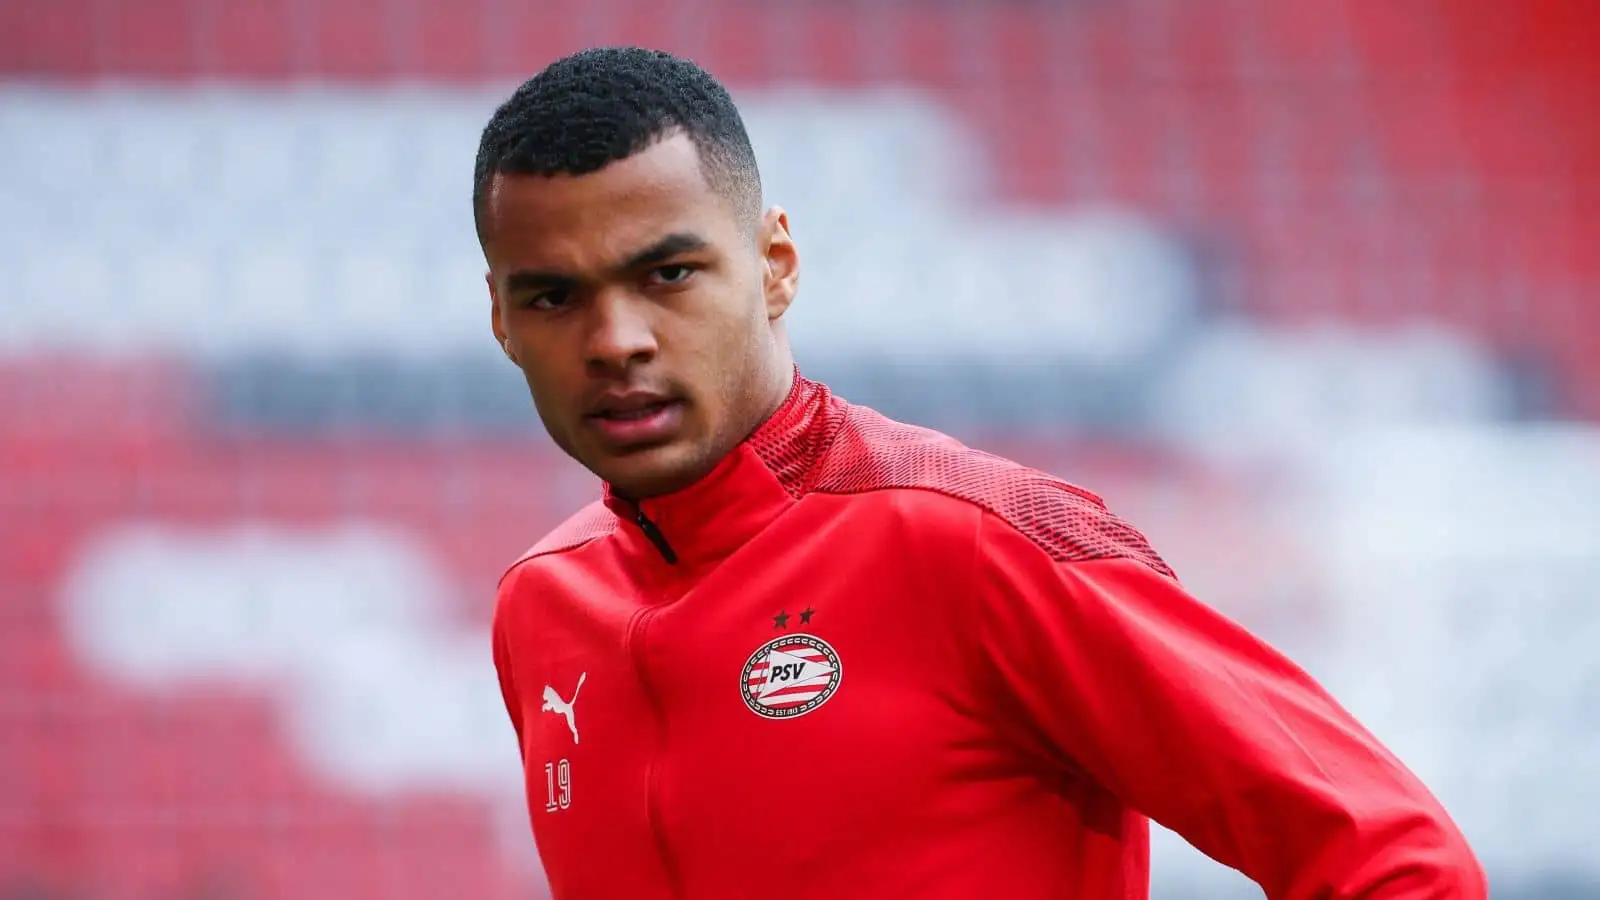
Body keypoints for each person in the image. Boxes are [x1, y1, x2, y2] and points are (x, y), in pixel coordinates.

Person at [477, 46, 1485, 900]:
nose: (615, 341)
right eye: (554, 297)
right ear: (500, 319)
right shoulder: (540, 605)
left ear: (775, 265)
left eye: (669, 274)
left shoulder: (978, 540)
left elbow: (1399, 860)